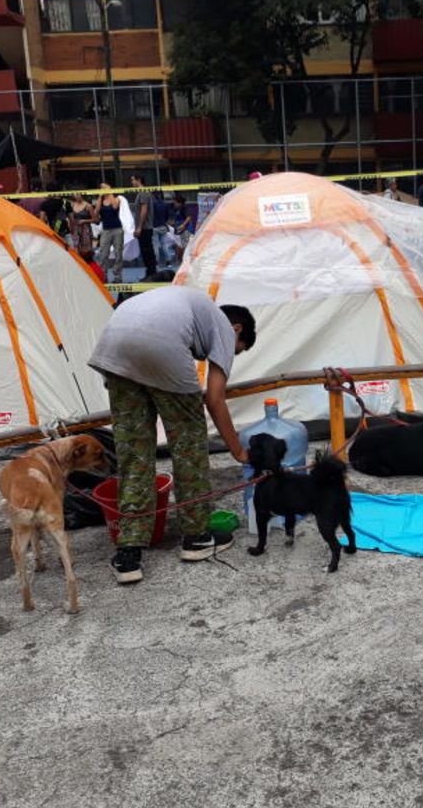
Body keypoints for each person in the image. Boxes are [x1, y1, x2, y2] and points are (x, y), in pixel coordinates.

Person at [88, 287, 257, 583]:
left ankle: (128, 553)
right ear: (237, 330)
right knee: (188, 446)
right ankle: (197, 537)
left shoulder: (187, 304)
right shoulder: (223, 325)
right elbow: (215, 400)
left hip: (113, 344)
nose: (227, 356)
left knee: (134, 453)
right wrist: (239, 452)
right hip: (161, 345)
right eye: (236, 350)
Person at [93, 184, 125, 284]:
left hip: (117, 229)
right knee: (103, 253)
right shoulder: (100, 201)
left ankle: (117, 276)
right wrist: (99, 196)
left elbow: (115, 207)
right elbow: (95, 213)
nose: (103, 189)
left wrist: (109, 192)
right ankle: (103, 275)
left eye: (105, 187)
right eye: (101, 188)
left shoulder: (116, 199)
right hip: (106, 230)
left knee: (118, 253)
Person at [130, 174, 156, 279]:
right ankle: (150, 272)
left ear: (138, 180)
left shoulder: (144, 193)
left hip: (145, 228)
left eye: (132, 180)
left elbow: (144, 211)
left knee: (147, 252)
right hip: (143, 228)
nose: (131, 183)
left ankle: (151, 274)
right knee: (146, 252)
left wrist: (139, 227)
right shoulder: (140, 193)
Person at [151, 190, 174, 267]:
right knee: (164, 245)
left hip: (155, 226)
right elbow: (168, 216)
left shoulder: (152, 204)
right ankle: (168, 262)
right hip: (163, 226)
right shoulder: (165, 204)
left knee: (155, 245)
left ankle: (156, 262)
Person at [69, 193, 95, 257]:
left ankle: (87, 263)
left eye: (78, 194)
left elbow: (95, 219)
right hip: (75, 228)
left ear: (82, 195)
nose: (77, 196)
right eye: (75, 194)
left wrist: (84, 221)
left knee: (86, 250)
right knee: (75, 246)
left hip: (85, 229)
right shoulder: (72, 205)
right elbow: (70, 217)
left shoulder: (88, 206)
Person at [171, 194, 194, 258]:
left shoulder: (185, 208)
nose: (174, 204)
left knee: (186, 246)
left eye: (175, 202)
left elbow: (189, 217)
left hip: (186, 230)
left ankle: (185, 260)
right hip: (180, 231)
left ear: (179, 203)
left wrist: (183, 225)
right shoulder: (178, 209)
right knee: (180, 245)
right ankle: (181, 259)